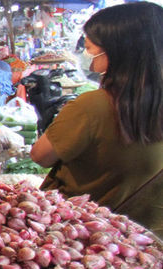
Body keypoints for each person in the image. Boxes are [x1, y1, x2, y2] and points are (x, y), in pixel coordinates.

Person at [30, 2, 163, 236]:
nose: (86, 55)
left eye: (90, 47)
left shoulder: (91, 106)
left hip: (84, 233)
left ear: (116, 50)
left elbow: (40, 156)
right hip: (148, 234)